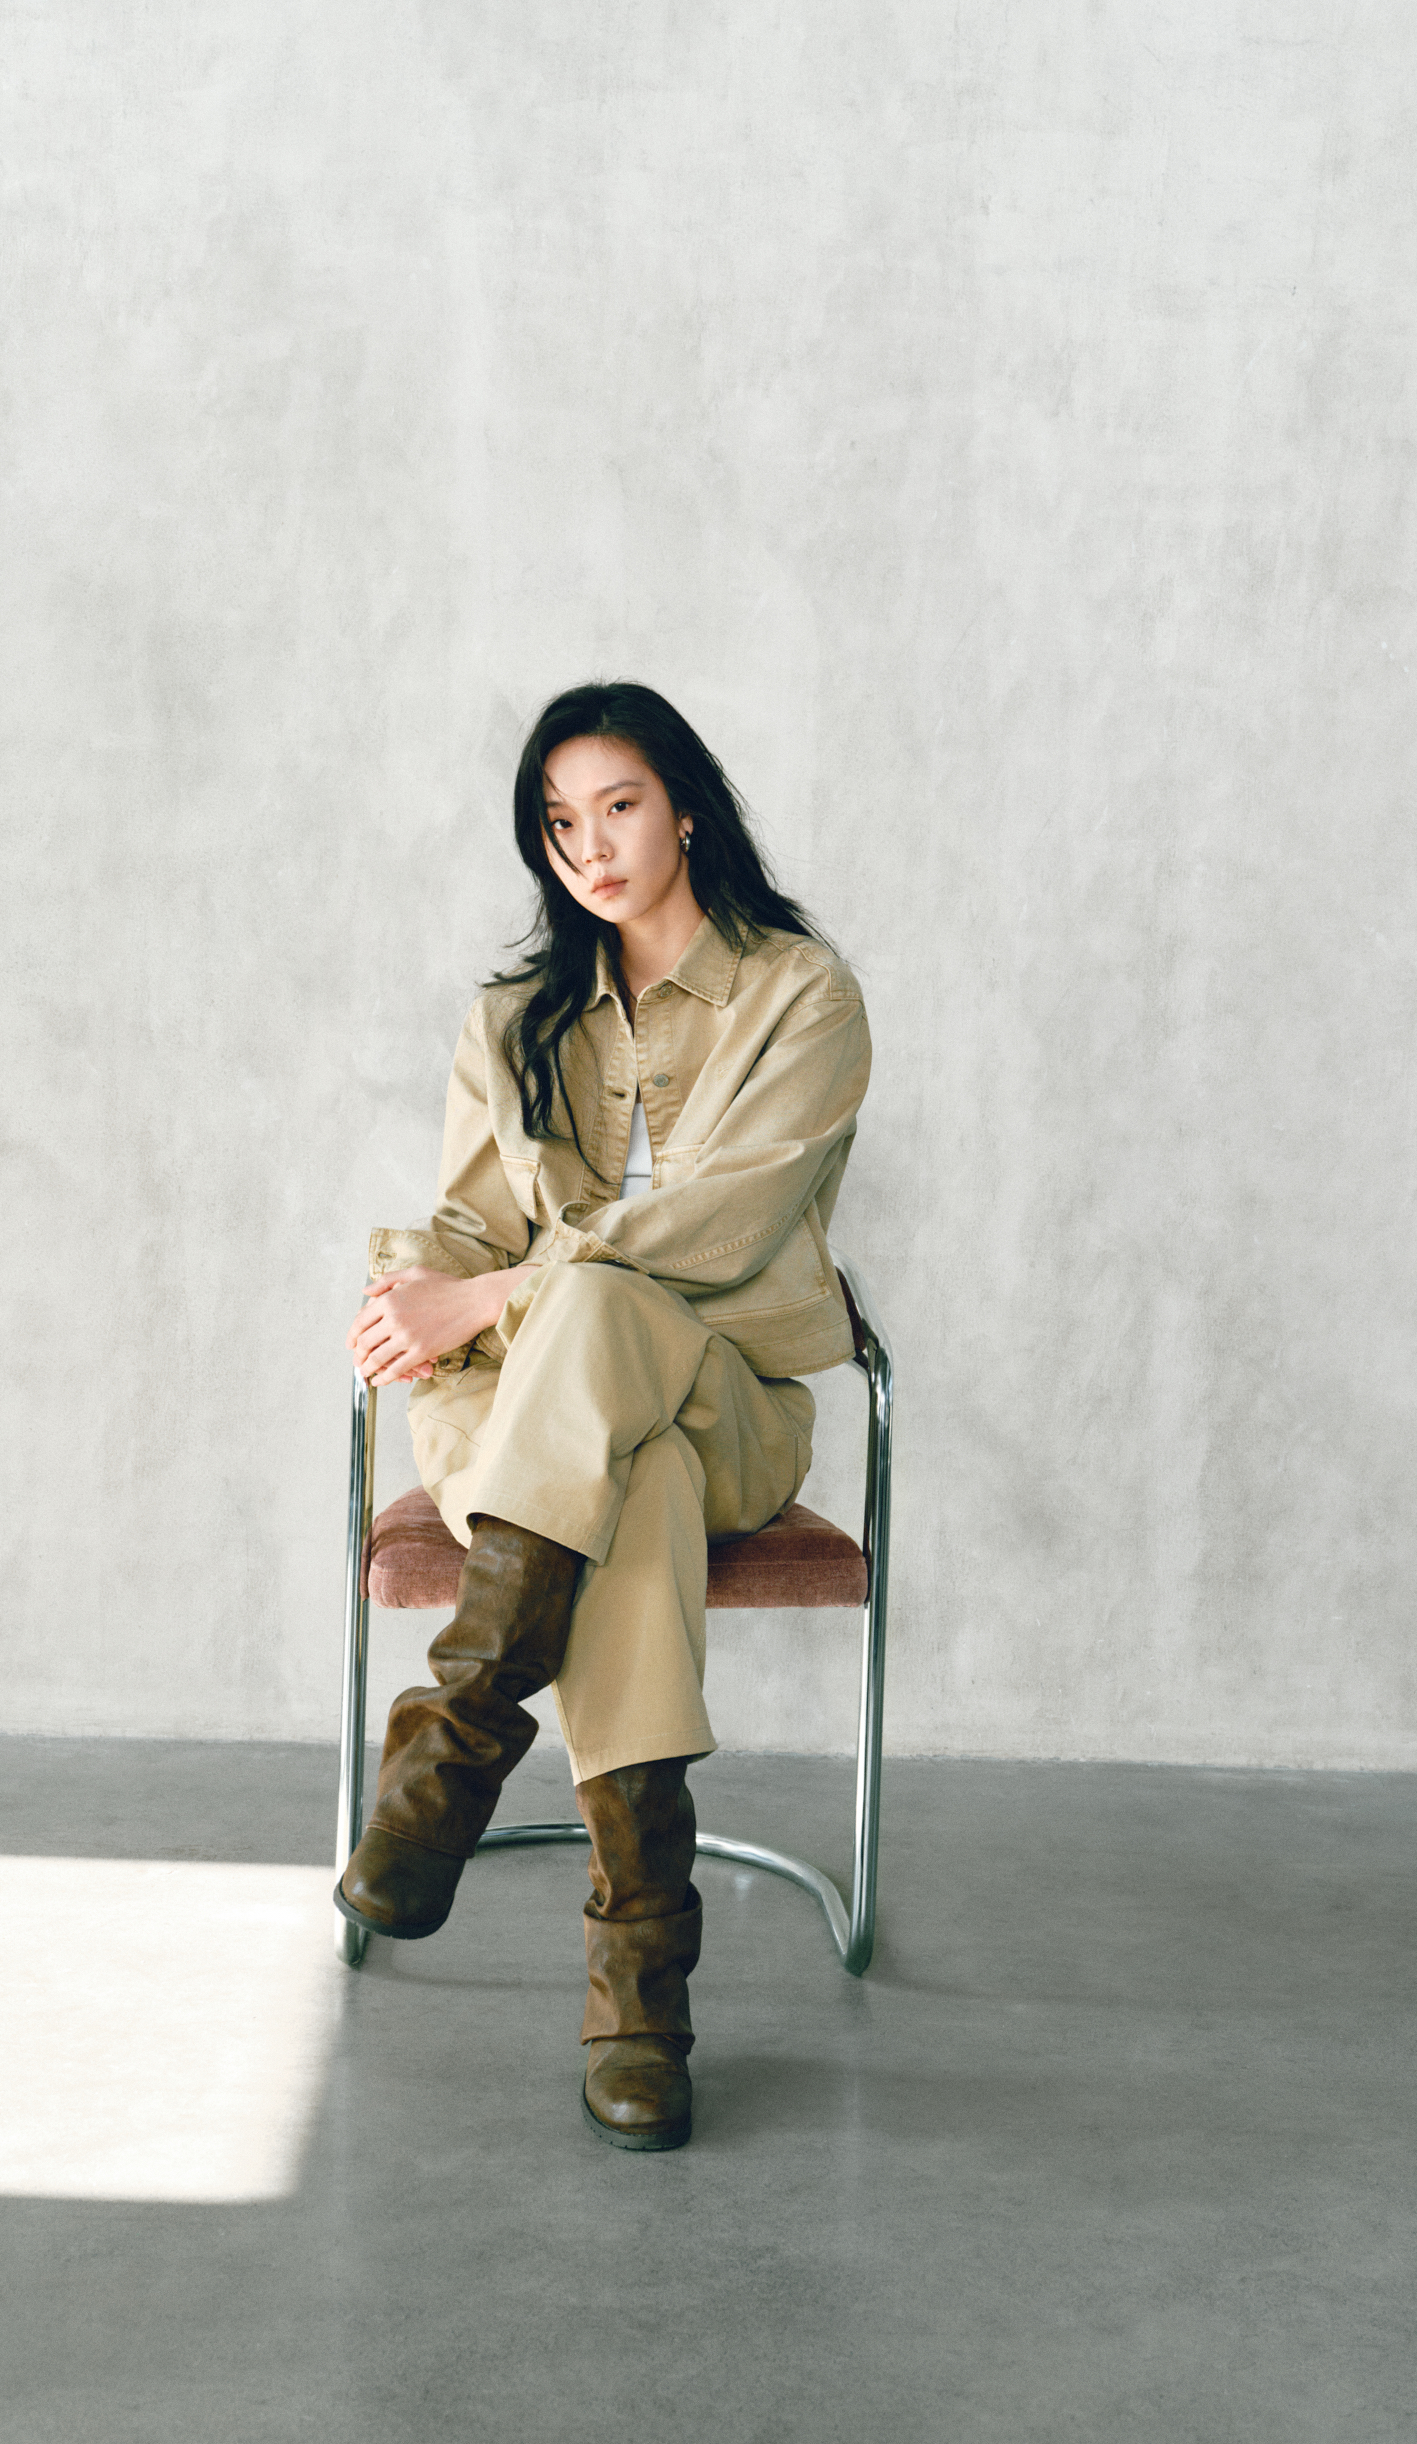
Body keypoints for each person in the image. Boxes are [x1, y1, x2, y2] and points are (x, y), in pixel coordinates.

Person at [338, 681, 871, 2150]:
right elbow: (466, 1222)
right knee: (624, 1480)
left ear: (685, 808)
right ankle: (639, 1999)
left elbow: (721, 1228)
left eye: (618, 806)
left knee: (599, 1311)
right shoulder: (512, 1019)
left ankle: (457, 1739)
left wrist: (497, 1293)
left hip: (724, 1404)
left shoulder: (803, 999)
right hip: (528, 1428)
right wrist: (427, 1287)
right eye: (559, 822)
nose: (590, 847)